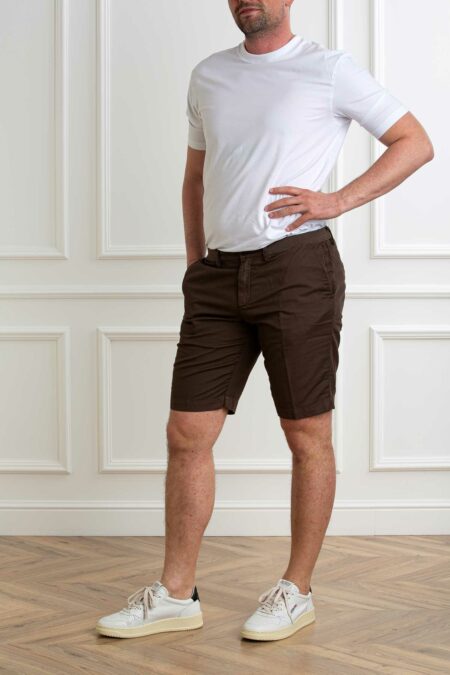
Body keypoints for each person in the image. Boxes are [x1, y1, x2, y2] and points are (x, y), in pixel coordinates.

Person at [96, 0, 433, 641]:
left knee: (306, 433)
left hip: (297, 268)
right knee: (186, 432)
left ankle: (295, 590)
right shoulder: (208, 75)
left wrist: (336, 200)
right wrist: (196, 266)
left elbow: (415, 142)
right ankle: (176, 594)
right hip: (217, 276)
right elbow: (195, 178)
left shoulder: (328, 68)